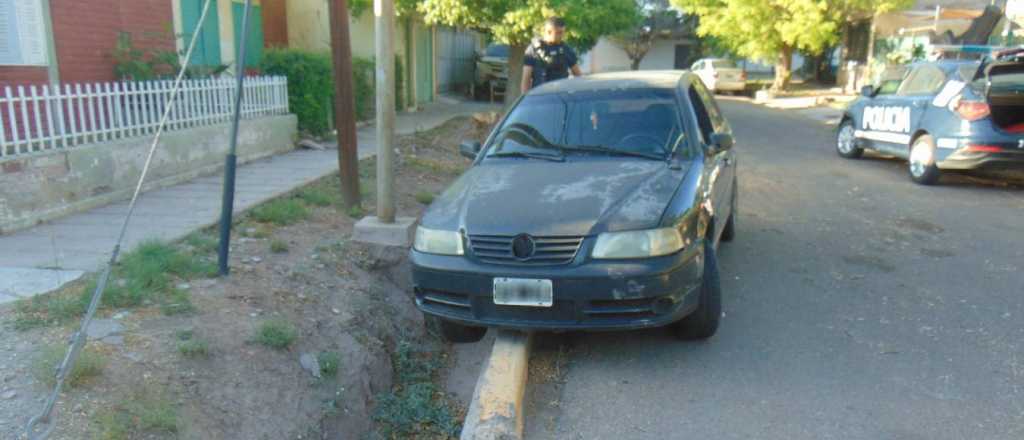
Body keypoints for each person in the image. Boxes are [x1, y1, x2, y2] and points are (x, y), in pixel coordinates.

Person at [521, 17, 583, 93]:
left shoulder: (566, 49)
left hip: (561, 96)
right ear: (548, 31)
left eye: (563, 32)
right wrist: (527, 99)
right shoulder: (533, 50)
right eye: (559, 32)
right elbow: (526, 80)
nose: (562, 35)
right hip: (540, 95)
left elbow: (578, 76)